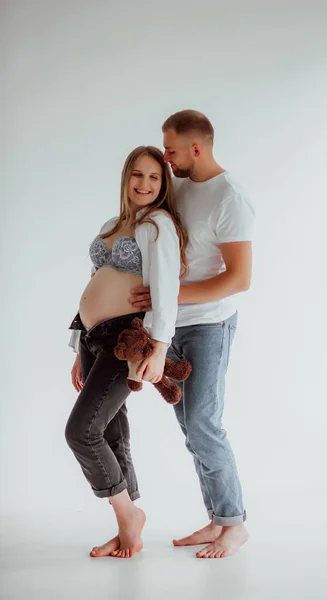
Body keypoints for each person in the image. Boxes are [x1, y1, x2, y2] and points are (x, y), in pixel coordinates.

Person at [130, 110, 255, 559]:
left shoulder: (230, 197)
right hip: (170, 325)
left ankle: (234, 524)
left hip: (209, 324)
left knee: (204, 424)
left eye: (170, 150)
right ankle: (219, 518)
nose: (166, 158)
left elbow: (239, 279)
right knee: (190, 427)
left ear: (196, 149)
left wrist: (173, 294)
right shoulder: (178, 185)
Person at [66, 146, 188, 559]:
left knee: (82, 431)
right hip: (91, 336)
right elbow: (96, 279)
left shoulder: (158, 225)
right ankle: (126, 524)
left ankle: (129, 516)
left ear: (163, 183)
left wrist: (159, 347)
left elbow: (166, 289)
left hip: (126, 339)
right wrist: (76, 344)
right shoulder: (112, 223)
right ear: (126, 177)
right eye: (138, 175)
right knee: (112, 432)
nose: (145, 184)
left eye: (155, 177)